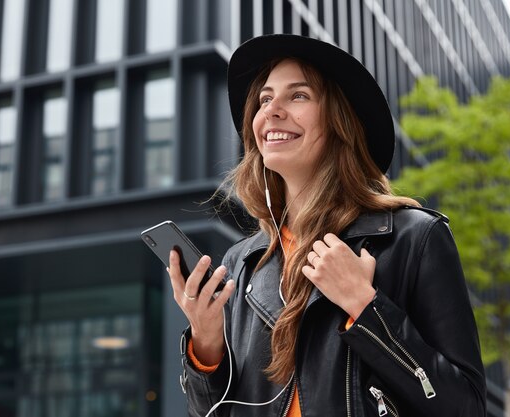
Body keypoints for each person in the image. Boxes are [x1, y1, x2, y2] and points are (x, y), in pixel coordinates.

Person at [167, 34, 486, 417]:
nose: (272, 110)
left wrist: (366, 308)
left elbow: (465, 406)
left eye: (297, 96)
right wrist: (206, 341)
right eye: (265, 99)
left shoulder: (413, 239)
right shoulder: (242, 263)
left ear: (339, 121)